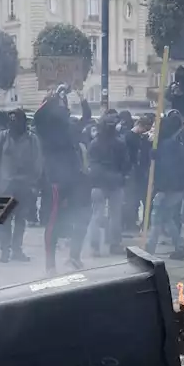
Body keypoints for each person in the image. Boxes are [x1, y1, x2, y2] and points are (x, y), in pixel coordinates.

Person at [34, 86, 86, 271]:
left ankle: (74, 256)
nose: (65, 109)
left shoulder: (70, 127)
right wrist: (52, 97)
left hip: (74, 177)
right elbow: (38, 115)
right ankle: (50, 265)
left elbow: (85, 119)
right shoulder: (46, 129)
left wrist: (82, 100)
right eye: (62, 107)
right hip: (56, 179)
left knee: (82, 217)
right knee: (53, 221)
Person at [0, 108, 42, 263]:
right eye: (11, 121)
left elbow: (37, 163)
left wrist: (33, 184)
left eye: (17, 120)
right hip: (5, 185)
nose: (14, 124)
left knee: (20, 219)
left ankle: (17, 250)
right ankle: (5, 251)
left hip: (24, 185)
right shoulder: (2, 137)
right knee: (5, 220)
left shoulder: (32, 139)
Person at [146, 109, 184, 258]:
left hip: (165, 189)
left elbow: (166, 168)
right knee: (168, 218)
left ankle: (149, 250)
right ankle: (179, 247)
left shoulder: (164, 146)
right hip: (178, 189)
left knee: (156, 219)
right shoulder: (178, 144)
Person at [86, 116, 130, 257]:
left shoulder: (94, 143)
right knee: (115, 215)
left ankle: (95, 247)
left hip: (98, 183)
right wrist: (121, 176)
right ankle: (114, 244)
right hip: (116, 182)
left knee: (96, 215)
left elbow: (91, 164)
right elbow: (126, 164)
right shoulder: (120, 143)